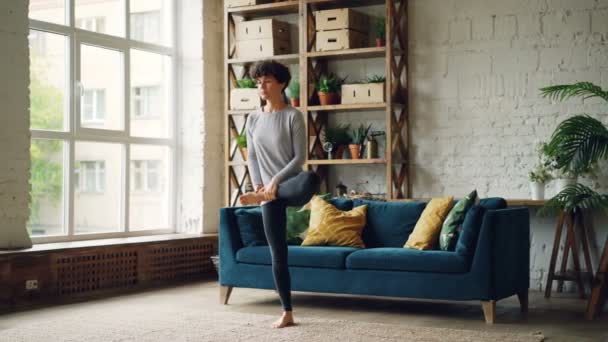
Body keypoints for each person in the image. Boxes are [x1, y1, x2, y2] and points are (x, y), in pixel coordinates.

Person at [239, 60, 320, 329]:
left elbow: (299, 159)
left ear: (282, 83)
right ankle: (287, 312)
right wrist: (259, 185)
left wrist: (274, 182)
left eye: (268, 81)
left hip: (290, 185)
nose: (261, 86)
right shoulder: (253, 118)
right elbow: (251, 156)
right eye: (258, 82)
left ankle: (268, 195)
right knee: (278, 253)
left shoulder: (292, 116)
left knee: (310, 178)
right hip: (267, 193)